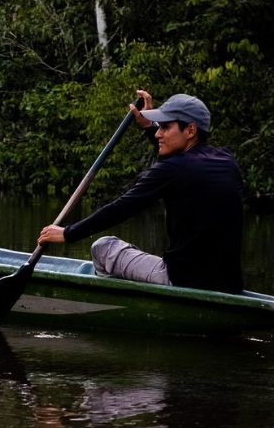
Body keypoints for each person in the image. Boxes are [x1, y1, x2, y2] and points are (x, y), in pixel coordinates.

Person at [38, 89, 244, 293]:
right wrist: (148, 126)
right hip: (230, 285)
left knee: (103, 247)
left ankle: (118, 306)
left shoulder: (173, 168)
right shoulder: (227, 161)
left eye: (164, 127)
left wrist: (68, 233)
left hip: (181, 280)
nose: (158, 133)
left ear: (190, 130)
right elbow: (183, 164)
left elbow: (123, 208)